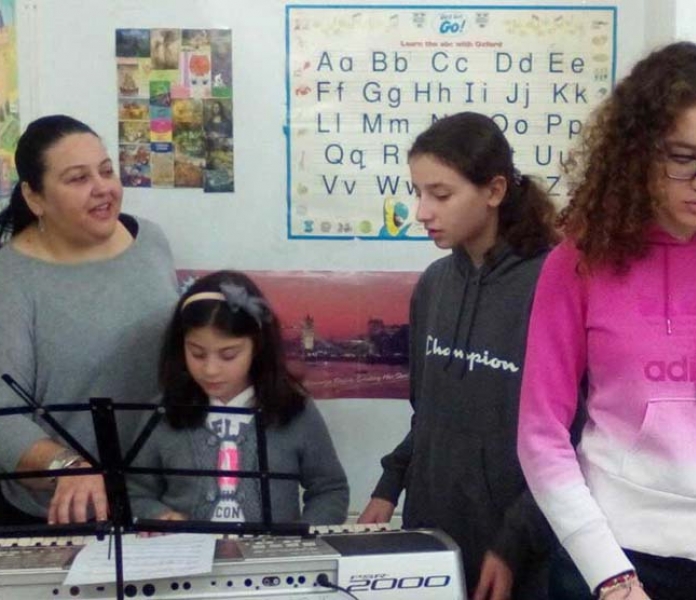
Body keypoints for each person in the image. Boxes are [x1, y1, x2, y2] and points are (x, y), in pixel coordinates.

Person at [517, 42, 696, 600]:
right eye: (683, 157)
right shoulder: (579, 262)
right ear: (639, 152)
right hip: (608, 558)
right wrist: (611, 576)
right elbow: (540, 435)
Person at [358, 112, 560, 600]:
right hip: (433, 533)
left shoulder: (553, 286)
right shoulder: (434, 286)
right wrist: (389, 485)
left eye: (441, 195)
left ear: (494, 191)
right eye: (418, 192)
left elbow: (569, 438)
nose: (422, 211)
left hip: (519, 547)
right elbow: (428, 412)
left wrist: (513, 542)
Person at [0, 115, 178, 525]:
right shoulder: (11, 278)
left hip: (160, 504)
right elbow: (4, 418)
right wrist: (68, 466)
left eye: (106, 171)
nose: (102, 188)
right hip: (60, 515)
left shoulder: (150, 240)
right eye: (79, 178)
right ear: (34, 197)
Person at [128, 271, 349, 525]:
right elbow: (134, 491)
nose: (210, 369)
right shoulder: (163, 412)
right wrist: (158, 515)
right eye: (197, 354)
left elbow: (329, 490)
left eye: (229, 355)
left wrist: (301, 536)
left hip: (271, 550)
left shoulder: (294, 408)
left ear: (257, 347)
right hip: (184, 549)